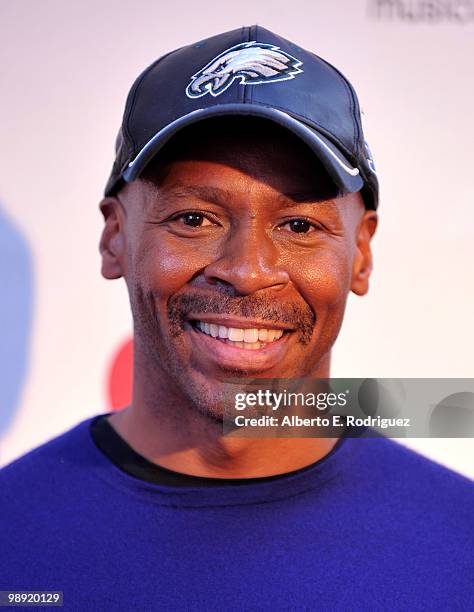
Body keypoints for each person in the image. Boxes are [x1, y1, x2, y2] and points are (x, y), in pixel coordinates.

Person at [1, 26, 472, 611]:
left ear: (362, 253)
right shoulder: (11, 538)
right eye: (195, 219)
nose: (247, 271)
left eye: (299, 226)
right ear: (115, 237)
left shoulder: (461, 548)